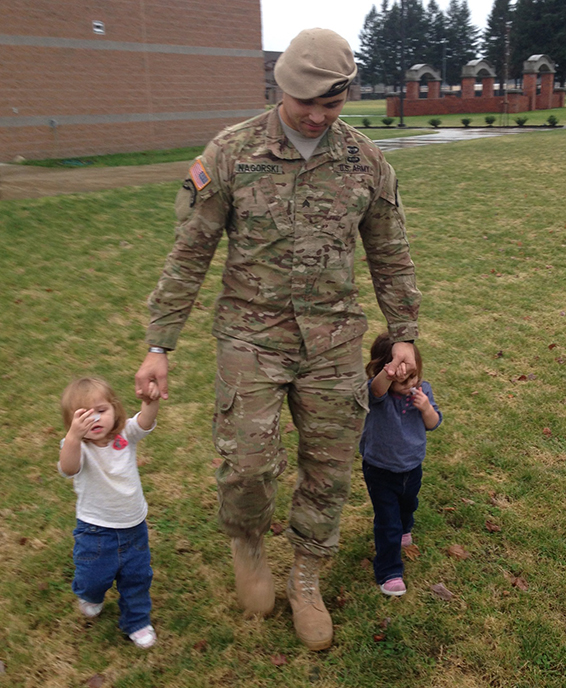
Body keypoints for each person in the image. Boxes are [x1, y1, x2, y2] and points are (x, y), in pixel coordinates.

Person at [134, 28, 421, 651]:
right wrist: (160, 343)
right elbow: (190, 252)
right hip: (250, 336)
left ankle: (308, 577)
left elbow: (391, 254)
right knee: (249, 465)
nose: (317, 117)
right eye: (304, 104)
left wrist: (403, 335)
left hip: (334, 343)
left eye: (333, 104)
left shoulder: (365, 161)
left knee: (330, 467)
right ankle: (248, 541)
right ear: (279, 89)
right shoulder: (232, 152)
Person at [59, 376, 161, 649]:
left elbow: (145, 422)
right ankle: (90, 595)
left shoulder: (125, 434)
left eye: (101, 411)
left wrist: (150, 402)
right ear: (71, 422)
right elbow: (68, 468)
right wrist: (72, 437)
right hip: (96, 531)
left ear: (114, 409)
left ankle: (137, 622)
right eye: (84, 416)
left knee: (137, 579)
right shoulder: (77, 447)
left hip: (134, 528)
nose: (94, 419)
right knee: (93, 577)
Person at [359, 334, 441, 597]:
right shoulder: (378, 393)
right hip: (380, 469)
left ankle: (406, 527)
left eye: (414, 376)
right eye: (402, 380)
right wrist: (390, 371)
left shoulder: (423, 390)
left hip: (412, 465)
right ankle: (390, 571)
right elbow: (377, 388)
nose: (410, 385)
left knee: (408, 504)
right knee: (387, 522)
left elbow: (433, 423)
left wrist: (426, 408)